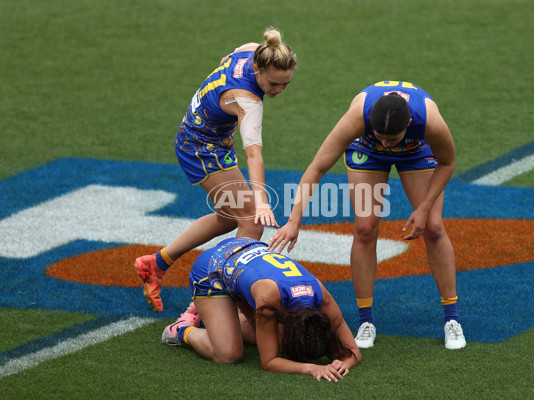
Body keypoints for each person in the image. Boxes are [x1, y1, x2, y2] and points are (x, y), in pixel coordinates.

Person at [269, 80, 467, 350]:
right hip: (366, 151)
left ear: (408, 122)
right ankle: (366, 320)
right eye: (380, 136)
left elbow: (448, 162)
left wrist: (423, 208)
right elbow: (316, 168)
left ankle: (452, 319)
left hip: (415, 152)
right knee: (364, 229)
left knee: (432, 226)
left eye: (391, 138)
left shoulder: (429, 121)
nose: (386, 144)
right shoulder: (357, 118)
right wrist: (294, 221)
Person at [135, 28, 297, 312]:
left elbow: (229, 57)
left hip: (210, 141)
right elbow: (253, 154)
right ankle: (205, 303)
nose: (278, 91)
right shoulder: (249, 101)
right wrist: (261, 201)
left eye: (285, 84)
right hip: (200, 149)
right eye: (273, 83)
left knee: (228, 216)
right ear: (258, 69)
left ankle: (155, 264)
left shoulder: (250, 50)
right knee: (251, 221)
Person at [161, 237, 361, 381]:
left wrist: (345, 362)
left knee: (267, 335)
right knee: (229, 354)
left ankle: (212, 316)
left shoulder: (321, 295)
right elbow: (270, 361)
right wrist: (311, 368)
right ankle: (182, 329)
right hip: (211, 270)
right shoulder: (269, 301)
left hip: (245, 254)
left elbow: (353, 351)